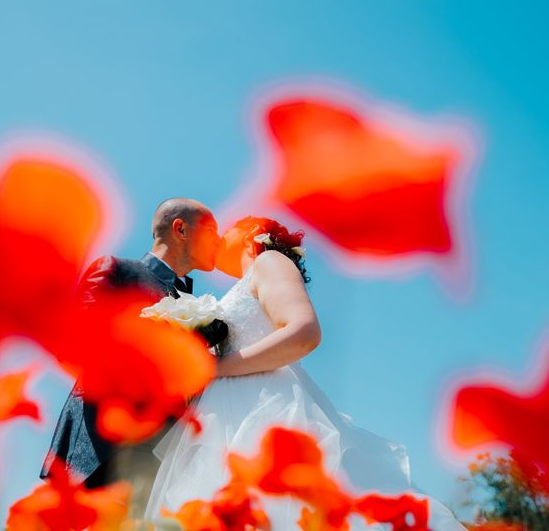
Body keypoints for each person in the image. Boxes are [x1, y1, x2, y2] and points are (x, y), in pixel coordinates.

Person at [145, 216, 466, 530]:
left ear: (252, 235)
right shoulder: (244, 283)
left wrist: (216, 368)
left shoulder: (269, 261)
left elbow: (304, 332)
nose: (216, 238)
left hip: (265, 411)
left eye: (224, 230)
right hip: (224, 419)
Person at [39, 198, 227, 515]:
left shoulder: (202, 308)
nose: (220, 242)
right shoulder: (116, 270)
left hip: (165, 468)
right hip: (101, 455)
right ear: (180, 228)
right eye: (212, 230)